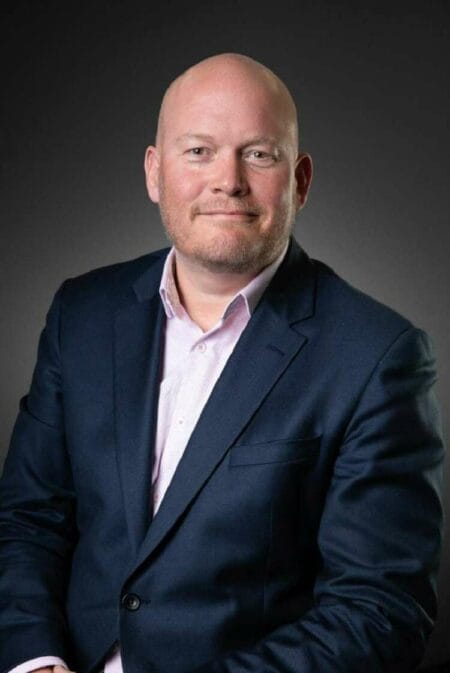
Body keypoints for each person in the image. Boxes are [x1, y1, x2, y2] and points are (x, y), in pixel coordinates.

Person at [0, 53, 445, 673]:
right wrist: (36, 660)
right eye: (198, 151)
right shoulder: (83, 313)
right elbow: (28, 519)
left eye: (258, 154)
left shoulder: (377, 356)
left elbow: (378, 612)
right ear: (155, 173)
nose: (228, 180)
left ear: (300, 181)